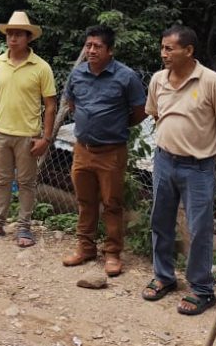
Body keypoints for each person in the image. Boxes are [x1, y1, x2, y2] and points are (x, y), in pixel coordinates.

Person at [142, 24, 216, 315]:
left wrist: (209, 151)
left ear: (189, 50)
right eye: (162, 48)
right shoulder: (158, 80)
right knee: (160, 220)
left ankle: (202, 290)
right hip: (164, 161)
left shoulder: (211, 81)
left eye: (169, 48)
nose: (164, 54)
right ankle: (164, 277)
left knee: (200, 229)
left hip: (198, 167)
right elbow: (156, 114)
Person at [61, 25, 146, 276]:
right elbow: (72, 103)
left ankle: (112, 253)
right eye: (88, 45)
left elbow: (139, 111)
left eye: (98, 46)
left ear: (110, 50)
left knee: (112, 203)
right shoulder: (77, 74)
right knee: (85, 201)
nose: (92, 50)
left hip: (111, 152)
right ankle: (85, 248)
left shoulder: (126, 77)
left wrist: (115, 125)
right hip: (82, 149)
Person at [0, 11, 58, 249]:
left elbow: (50, 106)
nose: (13, 38)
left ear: (28, 37)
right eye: (10, 33)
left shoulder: (41, 67)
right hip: (1, 132)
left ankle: (24, 227)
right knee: (2, 180)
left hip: (28, 135)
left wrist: (46, 138)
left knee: (27, 183)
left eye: (18, 34)